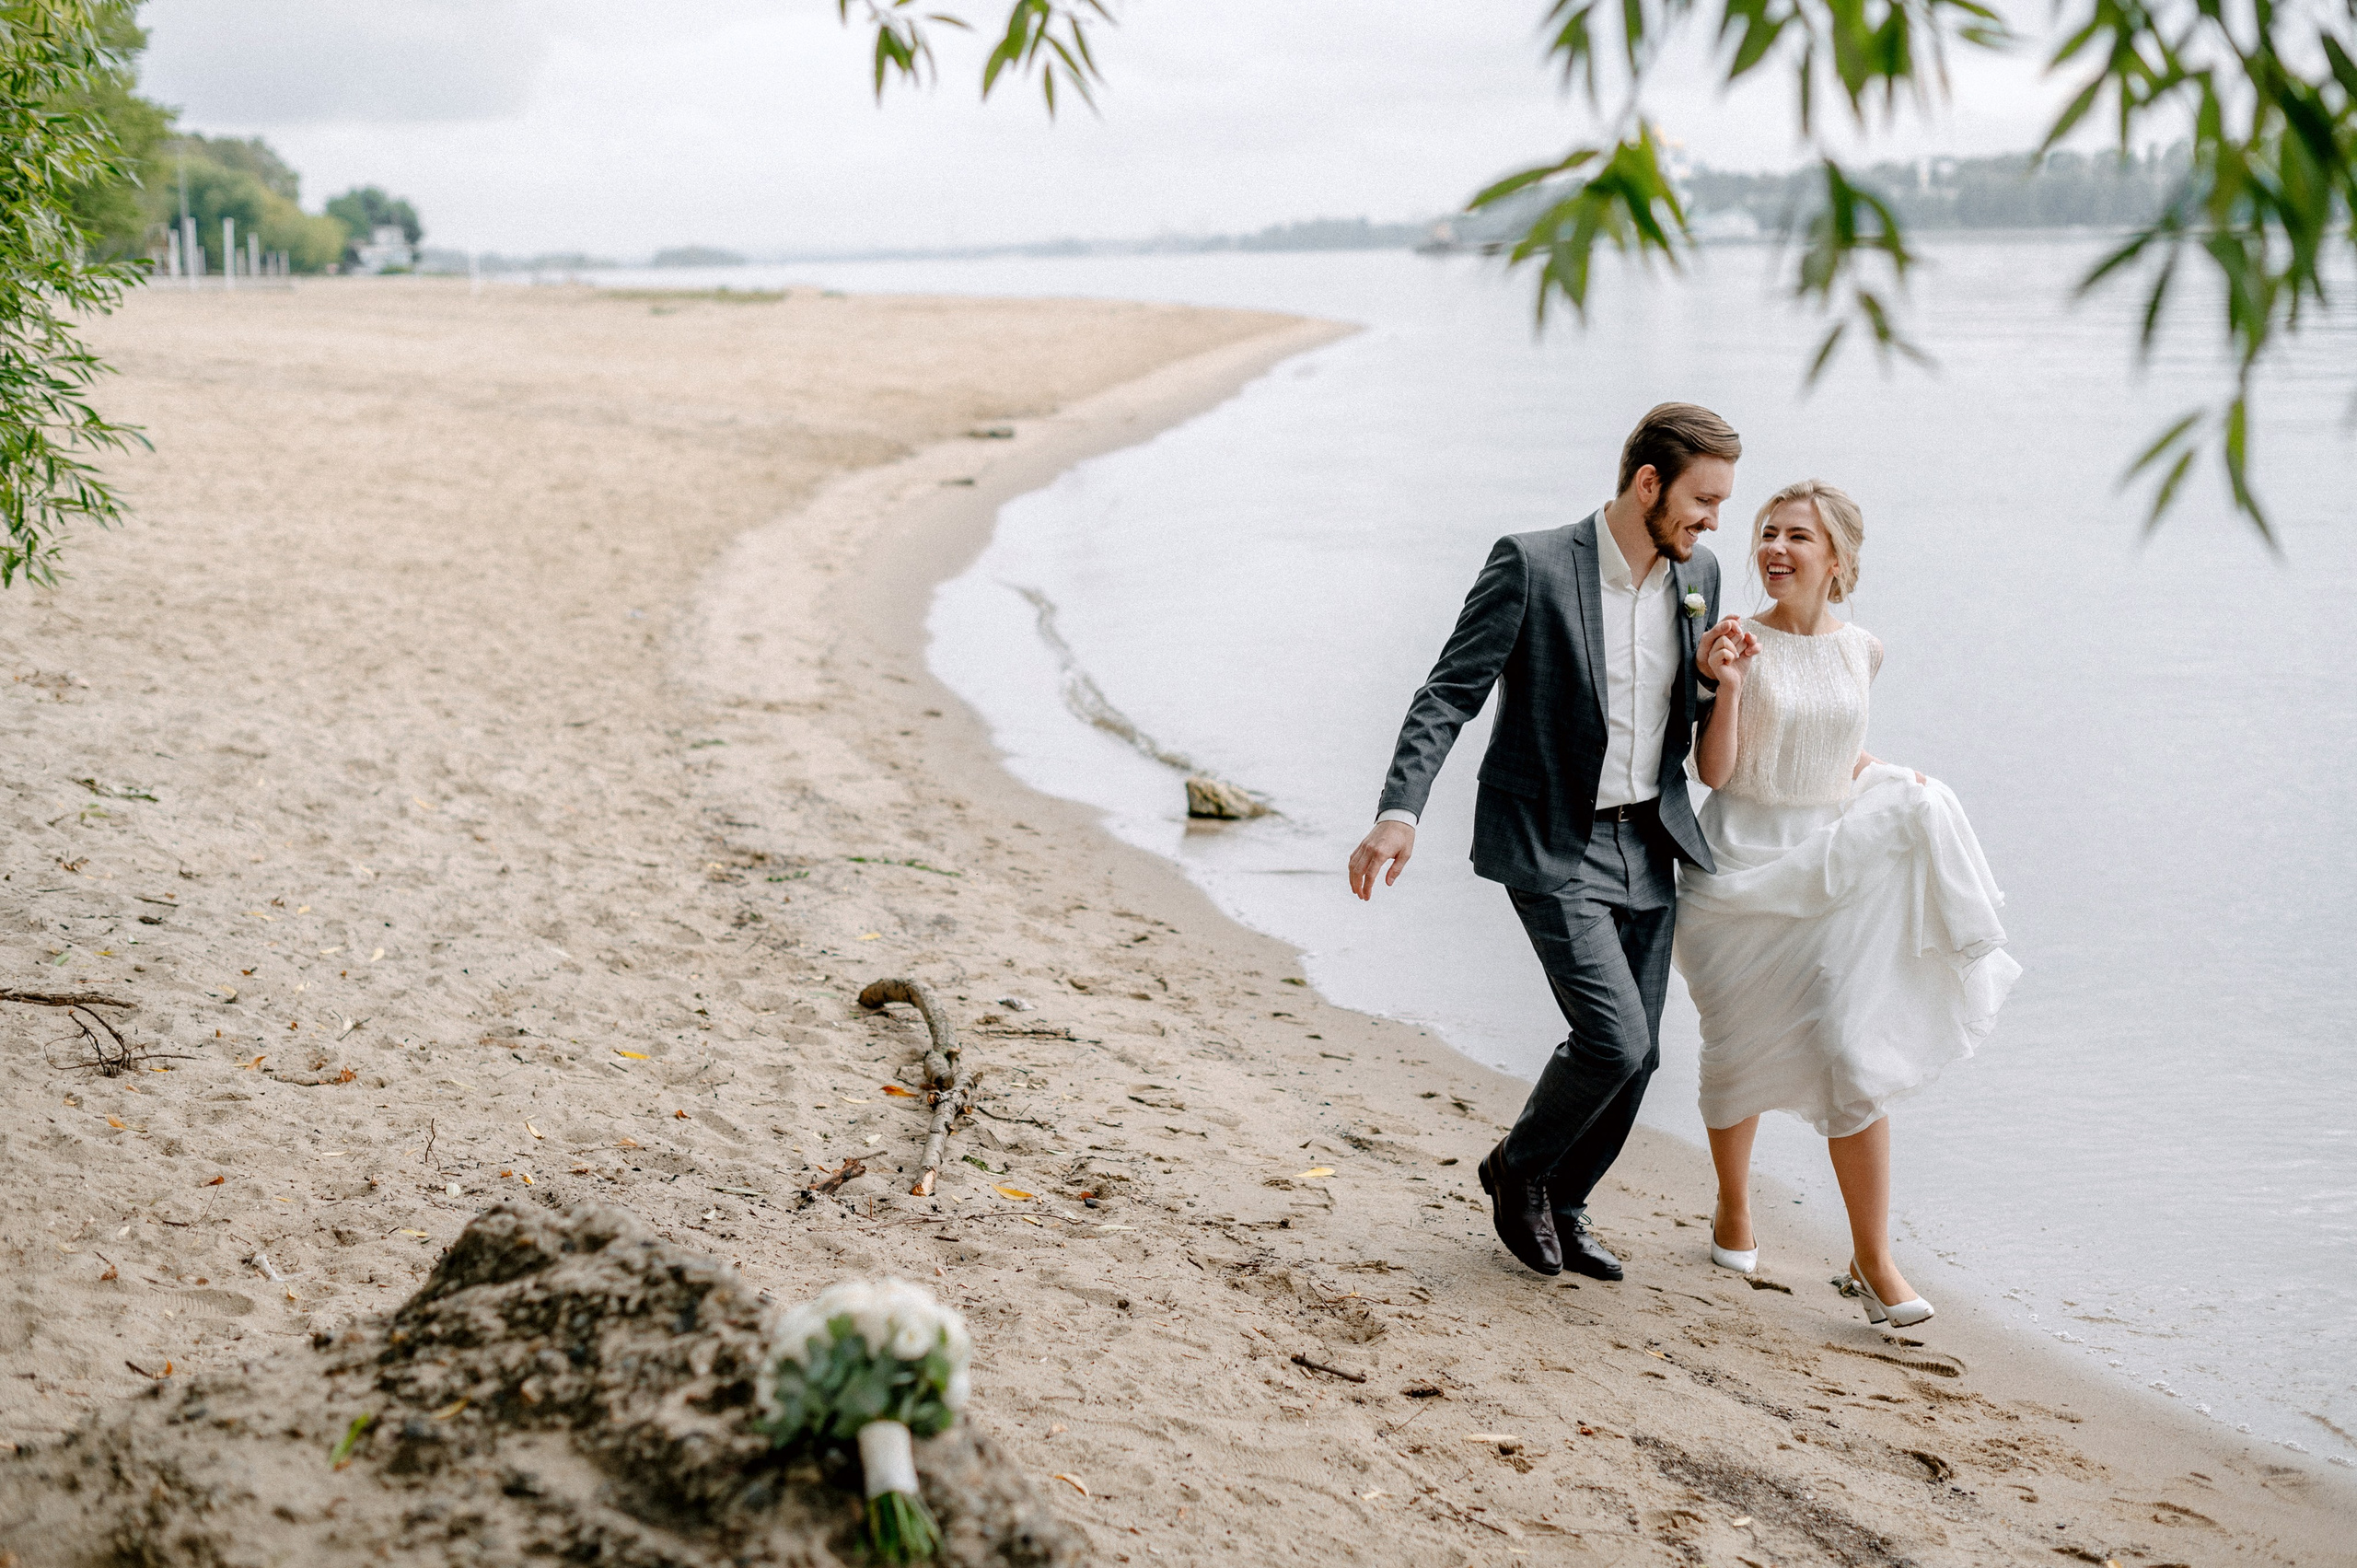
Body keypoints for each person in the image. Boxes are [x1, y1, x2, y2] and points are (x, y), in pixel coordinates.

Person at [1349, 402, 1758, 1281]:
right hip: (1550, 837)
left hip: (1649, 836)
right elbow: (1447, 692)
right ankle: (1519, 1169)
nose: (1715, 521)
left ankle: (1564, 1203)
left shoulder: (1701, 574)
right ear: (1649, 483)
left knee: (1640, 1053)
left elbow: (1676, 714)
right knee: (1609, 1037)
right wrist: (1399, 810)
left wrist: (1711, 681)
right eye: (1705, 498)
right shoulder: (1531, 564)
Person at [1678, 479, 2019, 1328]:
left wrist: (1890, 777)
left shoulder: (1861, 648)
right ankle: (1733, 1206)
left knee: (1847, 1046)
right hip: (1737, 863)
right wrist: (1724, 685)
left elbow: (1839, 745)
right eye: (1768, 533)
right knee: (1736, 1037)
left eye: (1798, 536)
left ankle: (1872, 1258)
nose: (1776, 549)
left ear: (1838, 560)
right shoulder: (1731, 639)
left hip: (1827, 860)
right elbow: (1714, 774)